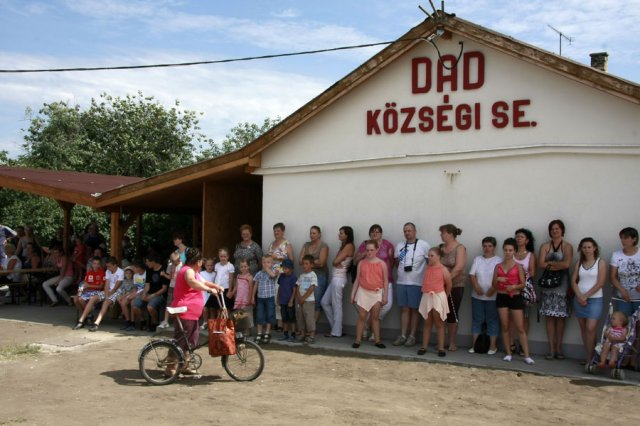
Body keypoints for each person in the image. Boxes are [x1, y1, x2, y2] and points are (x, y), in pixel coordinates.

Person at [166, 247, 223, 377]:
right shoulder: (187, 271)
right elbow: (192, 282)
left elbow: (204, 282)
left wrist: (215, 286)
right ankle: (170, 368)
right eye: (201, 261)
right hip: (185, 310)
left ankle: (184, 366)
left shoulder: (194, 272)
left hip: (191, 312)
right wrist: (208, 290)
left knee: (190, 340)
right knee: (181, 340)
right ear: (198, 261)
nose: (201, 263)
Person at [494, 238, 535, 365]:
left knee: (520, 327)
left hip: (515, 297)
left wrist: (514, 287)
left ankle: (527, 355)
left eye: (510, 250)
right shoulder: (498, 266)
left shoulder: (518, 266)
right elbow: (493, 285)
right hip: (502, 296)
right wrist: (498, 280)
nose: (507, 252)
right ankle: (508, 353)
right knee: (505, 326)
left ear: (514, 251)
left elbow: (523, 284)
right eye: (506, 250)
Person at [538, 219, 573, 360]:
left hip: (562, 286)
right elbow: (541, 264)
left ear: (562, 230)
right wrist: (557, 265)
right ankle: (551, 349)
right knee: (549, 317)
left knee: (560, 317)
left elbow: (567, 264)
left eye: (557, 228)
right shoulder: (545, 246)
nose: (555, 231)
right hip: (547, 286)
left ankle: (559, 348)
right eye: (552, 229)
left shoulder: (567, 246)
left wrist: (549, 264)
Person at [354, 224, 394, 340]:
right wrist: (364, 253)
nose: (375, 233)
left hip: (385, 280)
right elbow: (356, 261)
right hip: (367, 282)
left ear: (381, 233)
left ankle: (369, 324)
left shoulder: (387, 244)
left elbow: (392, 263)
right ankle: (371, 331)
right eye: (372, 232)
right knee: (364, 306)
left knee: (386, 305)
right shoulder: (365, 244)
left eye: (377, 232)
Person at [394, 223, 430, 347]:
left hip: (417, 283)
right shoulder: (400, 245)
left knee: (415, 310)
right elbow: (397, 262)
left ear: (415, 231)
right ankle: (403, 335)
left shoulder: (423, 245)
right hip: (401, 282)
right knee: (404, 309)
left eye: (409, 230)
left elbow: (430, 263)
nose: (407, 233)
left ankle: (412, 336)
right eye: (405, 231)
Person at [570, 238, 606, 365]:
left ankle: (592, 358)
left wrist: (586, 296)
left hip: (595, 300)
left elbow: (601, 282)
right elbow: (573, 281)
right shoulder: (579, 262)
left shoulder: (600, 262)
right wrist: (579, 296)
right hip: (579, 299)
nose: (587, 250)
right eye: (584, 247)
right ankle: (589, 357)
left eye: (589, 247)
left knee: (591, 328)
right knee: (584, 329)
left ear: (594, 248)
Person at [351, 240, 388, 349]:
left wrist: (385, 295)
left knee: (375, 317)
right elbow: (357, 280)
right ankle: (358, 340)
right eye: (367, 250)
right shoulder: (361, 263)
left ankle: (377, 340)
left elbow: (385, 281)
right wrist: (352, 294)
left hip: (376, 292)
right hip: (363, 292)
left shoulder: (382, 264)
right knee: (362, 316)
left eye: (372, 250)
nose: (369, 252)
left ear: (377, 250)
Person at [468, 237, 501, 355]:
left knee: (492, 320)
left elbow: (500, 277)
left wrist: (493, 289)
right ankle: (475, 345)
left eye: (490, 246)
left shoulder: (498, 260)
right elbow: (472, 275)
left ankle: (492, 346)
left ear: (494, 247)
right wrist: (476, 287)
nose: (487, 248)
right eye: (485, 246)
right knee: (477, 320)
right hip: (477, 296)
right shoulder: (478, 259)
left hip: (493, 296)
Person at [417, 246, 452, 357]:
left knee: (439, 322)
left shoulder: (443, 269)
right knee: (427, 322)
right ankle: (424, 346)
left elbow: (449, 284)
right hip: (427, 296)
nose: (429, 257)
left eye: (432, 256)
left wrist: (444, 296)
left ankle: (441, 348)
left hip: (438, 296)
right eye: (429, 255)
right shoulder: (427, 268)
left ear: (439, 256)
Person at [321, 226, 355, 337]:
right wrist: (335, 262)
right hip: (335, 278)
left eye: (341, 233)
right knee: (324, 302)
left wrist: (335, 262)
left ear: (347, 235)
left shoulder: (349, 246)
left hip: (339, 279)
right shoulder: (343, 246)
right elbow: (335, 262)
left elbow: (335, 261)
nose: (339, 235)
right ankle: (337, 328)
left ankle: (336, 332)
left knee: (337, 305)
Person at [439, 224, 467, 352]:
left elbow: (459, 267)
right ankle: (441, 341)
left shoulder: (460, 248)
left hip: (455, 285)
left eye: (443, 233)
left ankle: (452, 342)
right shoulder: (441, 248)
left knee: (452, 313)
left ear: (450, 234)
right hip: (440, 286)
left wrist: (447, 280)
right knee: (441, 313)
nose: (441, 235)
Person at [511, 228, 537, 354]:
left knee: (525, 317)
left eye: (521, 237)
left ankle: (523, 345)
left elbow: (532, 272)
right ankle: (511, 343)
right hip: (511, 288)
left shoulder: (530, 255)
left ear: (527, 240)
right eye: (517, 236)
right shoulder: (511, 253)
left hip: (525, 289)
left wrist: (520, 275)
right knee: (511, 317)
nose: (518, 239)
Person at [299, 226, 329, 322]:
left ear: (319, 234)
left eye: (314, 233)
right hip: (307, 276)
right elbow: (300, 261)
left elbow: (322, 263)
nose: (311, 235)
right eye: (310, 233)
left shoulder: (323, 246)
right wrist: (314, 262)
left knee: (317, 300)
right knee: (306, 299)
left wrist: (308, 262)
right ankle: (307, 325)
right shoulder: (306, 245)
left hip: (320, 275)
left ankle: (313, 326)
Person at [132, 255, 169, 332]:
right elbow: (147, 285)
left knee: (150, 307)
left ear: (153, 261)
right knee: (135, 305)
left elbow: (164, 288)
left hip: (160, 294)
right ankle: (143, 321)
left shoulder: (163, 270)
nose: (146, 264)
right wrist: (144, 294)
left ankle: (155, 323)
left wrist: (152, 295)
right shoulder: (149, 270)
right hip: (149, 293)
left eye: (147, 262)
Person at [87, 257, 124, 332]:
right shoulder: (108, 271)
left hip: (117, 291)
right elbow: (106, 285)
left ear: (115, 265)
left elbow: (116, 287)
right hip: (108, 291)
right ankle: (86, 318)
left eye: (109, 266)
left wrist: (108, 298)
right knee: (93, 298)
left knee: (105, 303)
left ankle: (96, 323)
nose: (107, 268)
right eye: (107, 266)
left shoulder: (121, 272)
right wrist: (107, 296)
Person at [610, 227, 640, 317]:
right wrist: (622, 290)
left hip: (639, 297)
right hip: (623, 297)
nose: (622, 240)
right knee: (623, 322)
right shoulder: (616, 255)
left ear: (634, 239)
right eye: (621, 238)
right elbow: (612, 277)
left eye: (626, 238)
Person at [73, 257, 106, 329]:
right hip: (88, 291)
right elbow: (84, 284)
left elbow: (101, 287)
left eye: (97, 264)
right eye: (94, 263)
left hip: (97, 292)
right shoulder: (89, 272)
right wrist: (79, 292)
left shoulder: (102, 273)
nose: (96, 265)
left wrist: (89, 285)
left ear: (100, 265)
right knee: (76, 299)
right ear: (92, 264)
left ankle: (85, 317)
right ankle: (88, 316)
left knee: (81, 299)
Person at [204, 248, 235, 326]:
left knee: (226, 308)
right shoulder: (217, 265)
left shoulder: (230, 266)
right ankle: (214, 325)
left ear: (228, 256)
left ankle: (225, 324)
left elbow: (231, 279)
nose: (223, 258)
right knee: (215, 307)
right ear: (219, 256)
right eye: (221, 256)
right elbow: (216, 276)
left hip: (225, 289)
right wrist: (213, 287)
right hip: (217, 289)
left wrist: (230, 291)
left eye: (225, 256)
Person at [252, 255, 278, 344]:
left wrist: (267, 269)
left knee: (269, 314)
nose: (266, 264)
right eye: (264, 262)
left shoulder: (272, 272)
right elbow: (255, 285)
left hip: (270, 297)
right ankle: (259, 333)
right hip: (260, 298)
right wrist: (252, 296)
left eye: (268, 262)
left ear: (272, 264)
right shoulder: (259, 273)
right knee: (259, 315)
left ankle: (267, 332)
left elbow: (273, 275)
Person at [296, 255, 318, 344]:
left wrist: (303, 298)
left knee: (309, 318)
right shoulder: (301, 275)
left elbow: (312, 287)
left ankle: (311, 335)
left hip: (309, 301)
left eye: (306, 264)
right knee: (300, 317)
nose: (304, 265)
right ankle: (302, 334)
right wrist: (299, 298)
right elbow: (297, 286)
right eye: (303, 264)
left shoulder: (313, 275)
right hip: (300, 301)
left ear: (311, 265)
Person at [158, 252, 182, 329]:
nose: (174, 264)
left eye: (175, 262)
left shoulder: (182, 266)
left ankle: (179, 322)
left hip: (180, 287)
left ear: (179, 259)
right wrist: (164, 274)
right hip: (172, 286)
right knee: (169, 303)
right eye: (172, 262)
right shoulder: (170, 266)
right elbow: (170, 277)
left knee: (179, 303)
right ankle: (165, 321)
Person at [230, 259, 254, 333]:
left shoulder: (250, 277)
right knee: (240, 314)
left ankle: (248, 331)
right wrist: (232, 293)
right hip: (239, 298)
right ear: (239, 267)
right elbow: (236, 286)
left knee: (247, 314)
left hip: (246, 298)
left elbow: (251, 289)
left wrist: (249, 299)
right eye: (242, 267)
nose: (243, 268)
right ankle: (242, 329)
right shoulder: (238, 276)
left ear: (248, 267)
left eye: (245, 266)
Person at [277, 259, 298, 341]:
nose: (284, 270)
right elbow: (279, 287)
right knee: (284, 318)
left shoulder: (293, 278)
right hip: (282, 301)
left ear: (291, 268)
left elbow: (294, 290)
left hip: (289, 302)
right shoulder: (281, 276)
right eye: (283, 268)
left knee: (292, 318)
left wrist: (291, 300)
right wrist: (278, 298)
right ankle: (285, 334)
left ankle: (293, 334)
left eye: (286, 268)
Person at [117, 266, 137, 330]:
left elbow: (134, 290)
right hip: (126, 295)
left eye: (130, 273)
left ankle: (132, 322)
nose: (128, 275)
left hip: (133, 295)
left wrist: (126, 295)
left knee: (132, 304)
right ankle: (127, 321)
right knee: (123, 303)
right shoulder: (124, 281)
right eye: (127, 273)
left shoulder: (134, 281)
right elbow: (123, 290)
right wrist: (122, 296)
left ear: (132, 274)